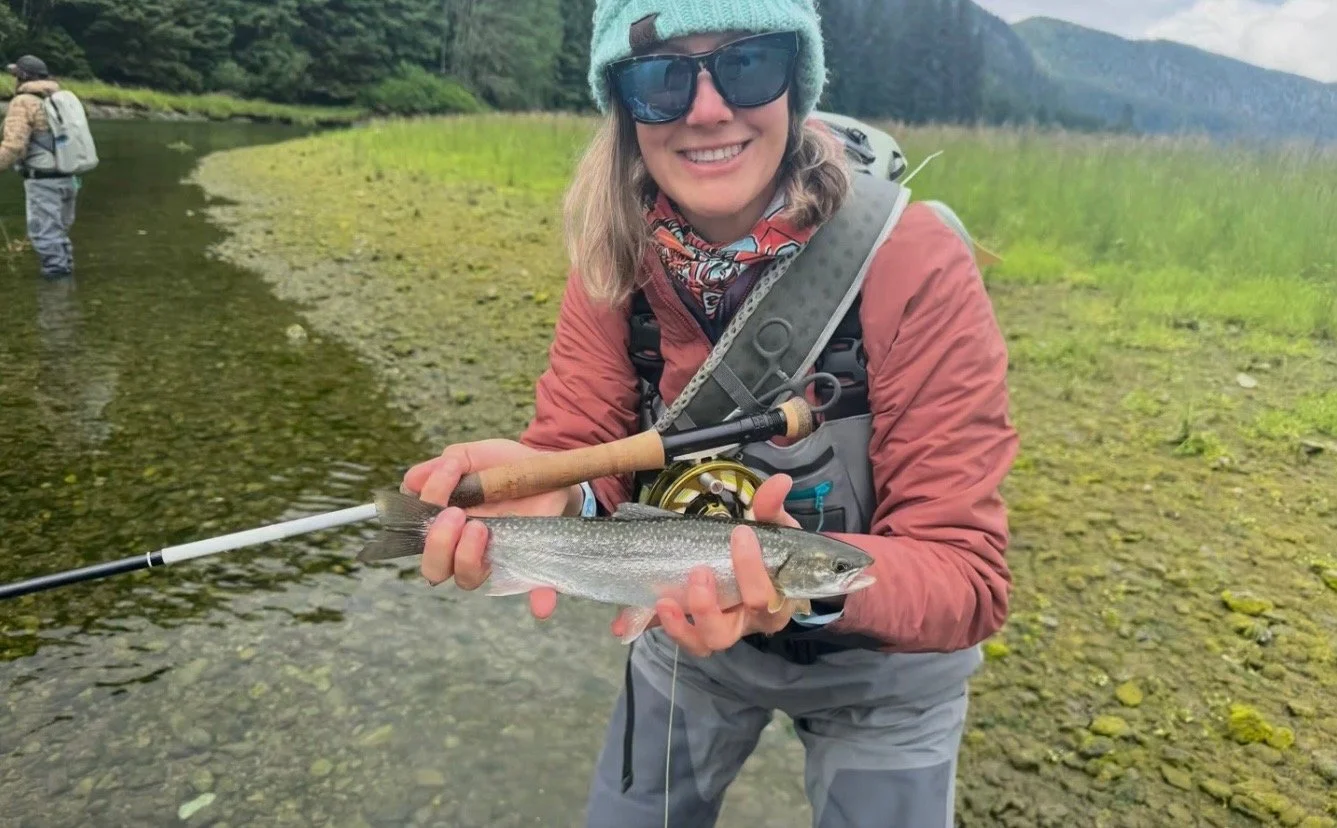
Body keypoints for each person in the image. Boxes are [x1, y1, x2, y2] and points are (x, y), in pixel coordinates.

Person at [402, 1, 1018, 825]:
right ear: (623, 106)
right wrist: (556, 502)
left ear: (795, 81)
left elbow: (966, 576)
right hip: (680, 618)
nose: (705, 109)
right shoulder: (612, 256)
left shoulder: (915, 259)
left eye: (747, 63)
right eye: (661, 77)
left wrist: (810, 586)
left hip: (889, 670)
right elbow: (584, 452)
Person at [0, 54, 79, 278]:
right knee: (59, 235)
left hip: (44, 183)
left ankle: (57, 296)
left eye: (16, 75)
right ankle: (67, 287)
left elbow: (14, 147)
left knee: (45, 236)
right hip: (69, 179)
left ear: (22, 77)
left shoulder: (23, 102)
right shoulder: (62, 99)